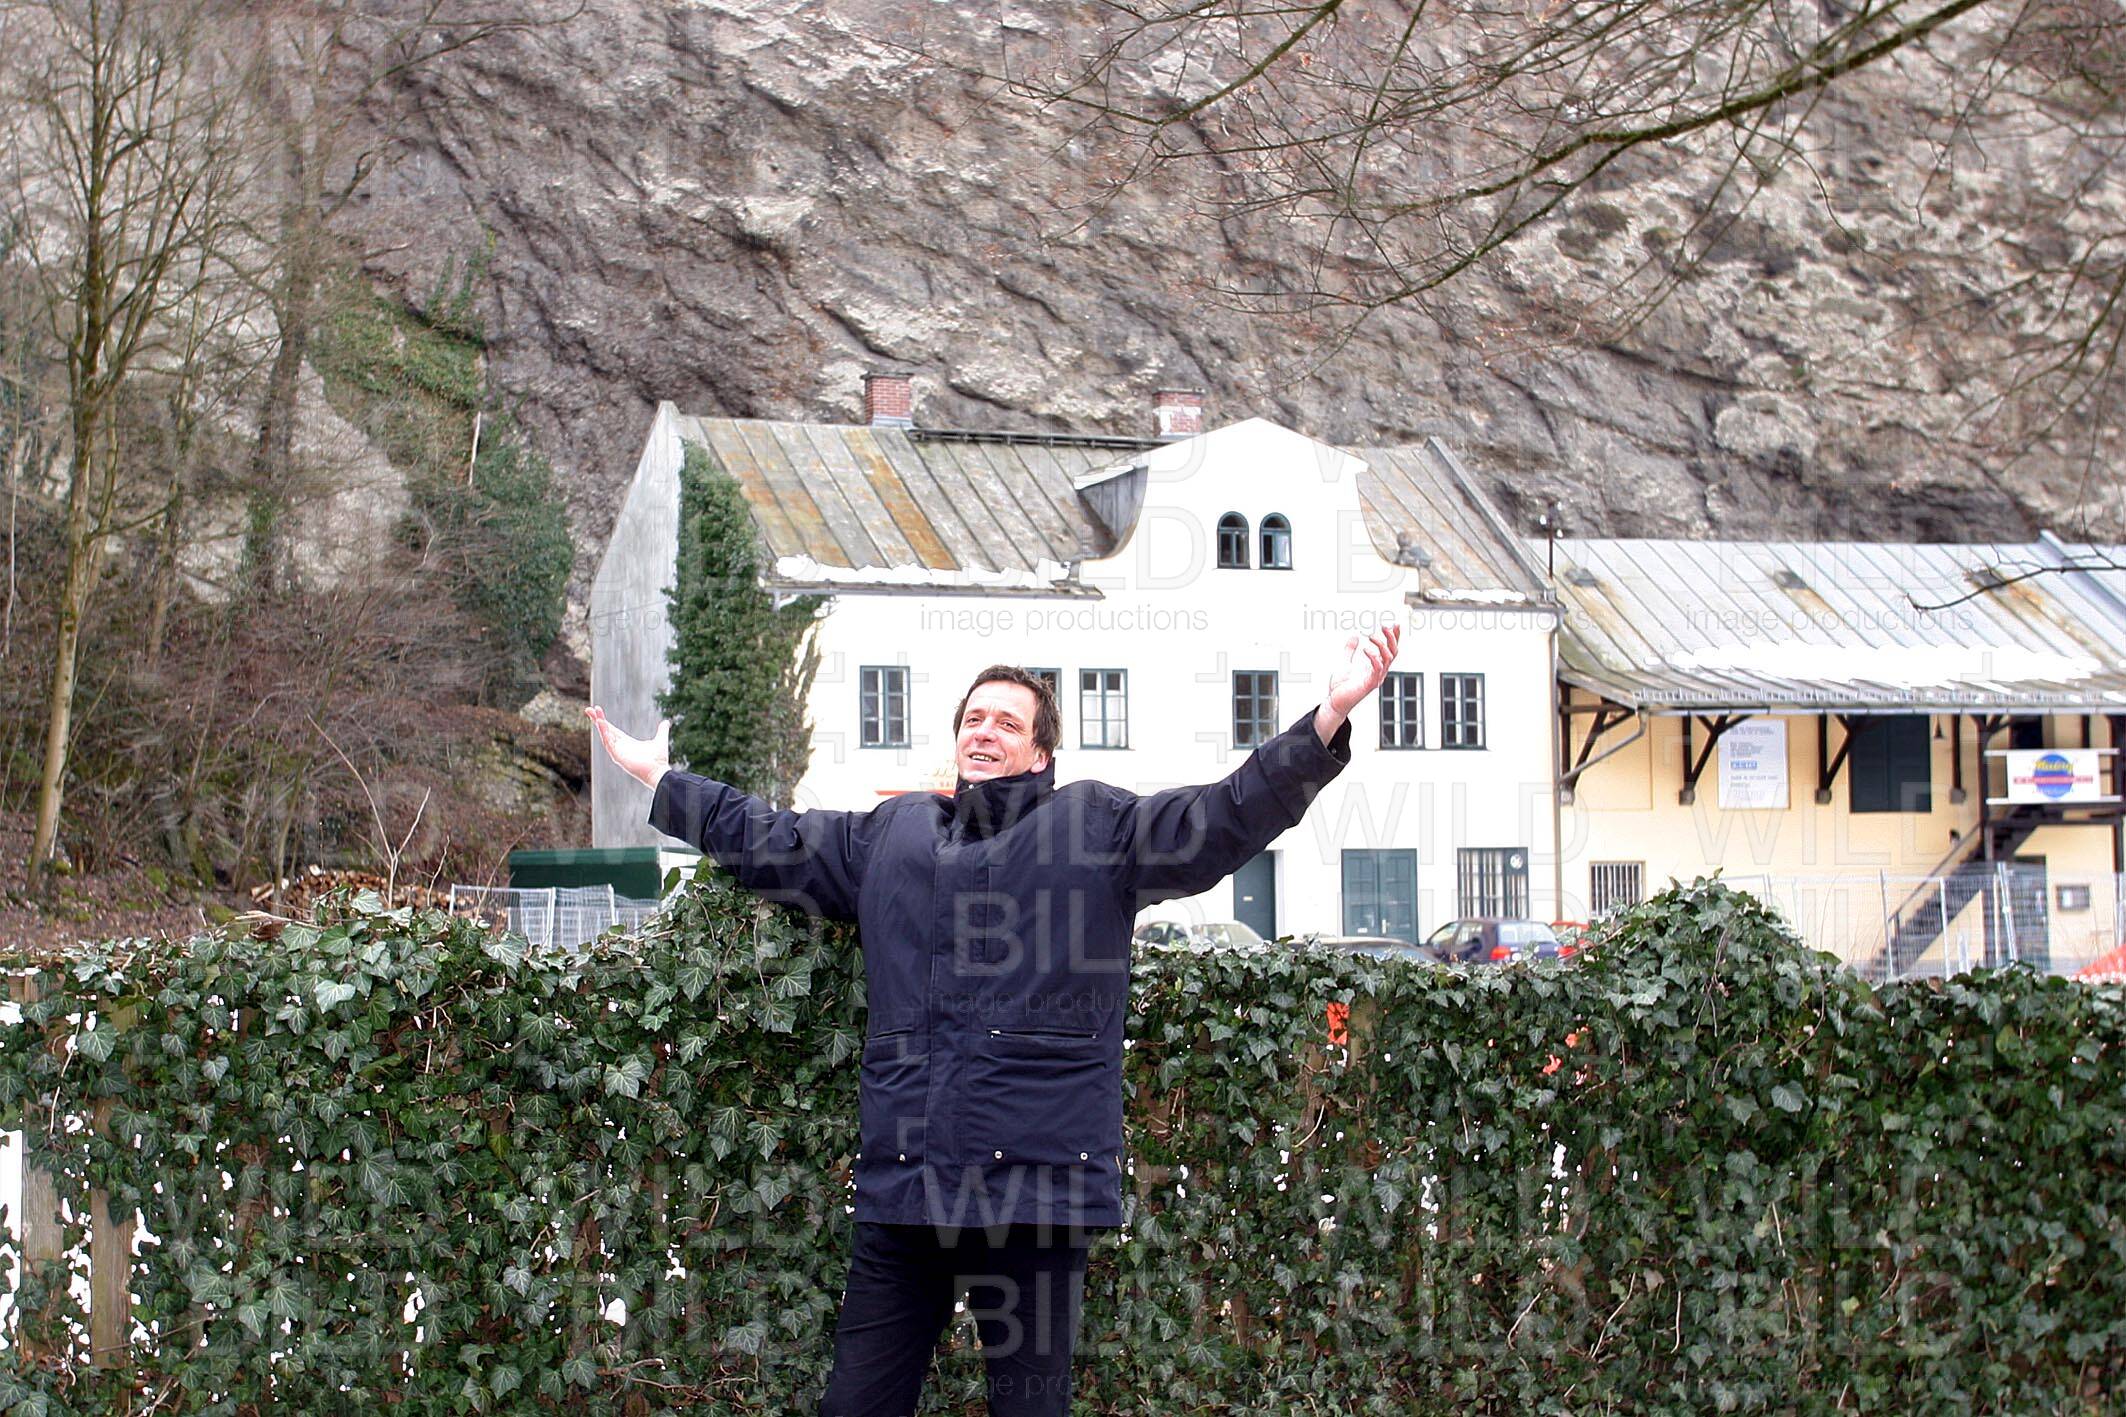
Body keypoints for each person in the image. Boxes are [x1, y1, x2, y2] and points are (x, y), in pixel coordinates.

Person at [586, 624, 1401, 1417]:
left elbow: (1221, 816)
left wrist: (1326, 720)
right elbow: (775, 838)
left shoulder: (1098, 827)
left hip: (1036, 1197)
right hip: (907, 1187)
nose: (985, 730)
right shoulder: (892, 834)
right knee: (857, 1401)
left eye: (1008, 722)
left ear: (1041, 754)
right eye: (974, 718)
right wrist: (664, 780)